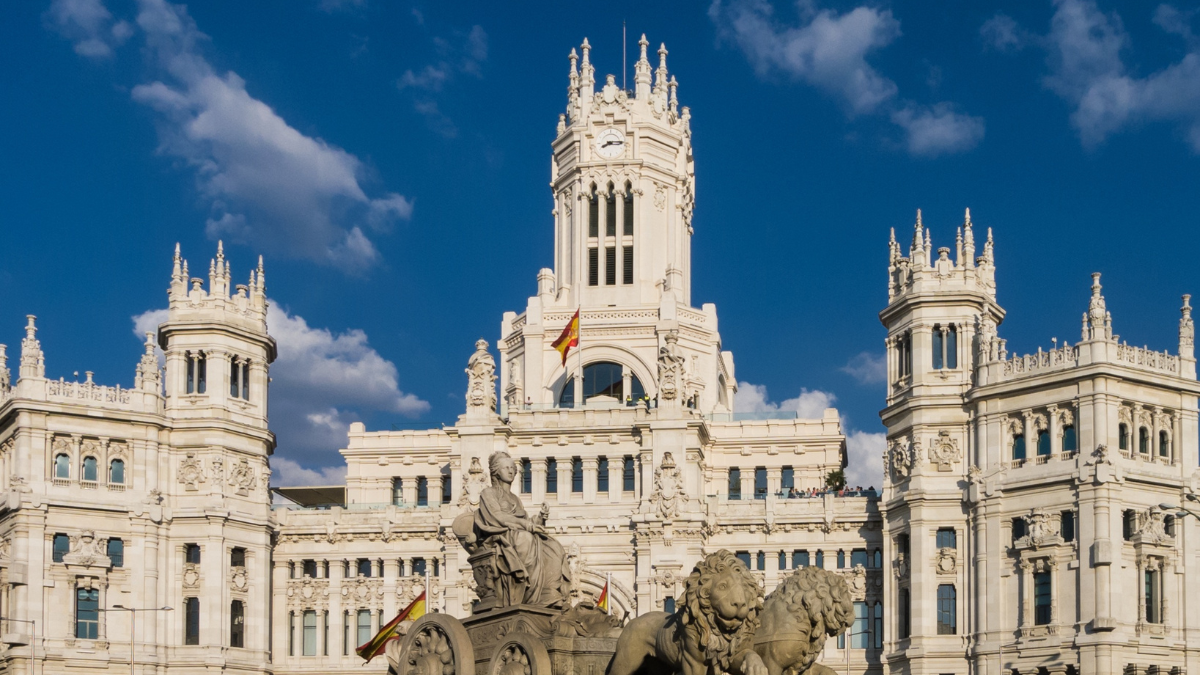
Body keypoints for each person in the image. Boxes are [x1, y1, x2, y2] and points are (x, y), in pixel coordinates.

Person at [474, 451, 571, 608]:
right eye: (506, 468)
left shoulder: (515, 499)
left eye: (513, 468)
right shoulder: (488, 493)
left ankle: (548, 593)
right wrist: (529, 526)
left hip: (518, 533)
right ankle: (530, 596)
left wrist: (540, 518)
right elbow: (498, 517)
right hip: (500, 535)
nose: (511, 471)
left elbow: (524, 520)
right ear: (496, 472)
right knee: (525, 539)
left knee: (554, 547)